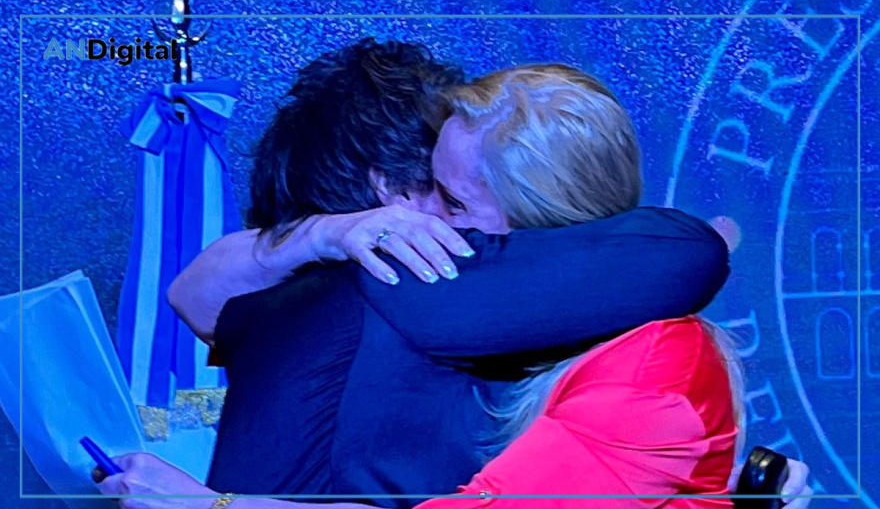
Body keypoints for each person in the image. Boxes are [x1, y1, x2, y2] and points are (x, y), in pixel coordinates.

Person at [99, 41, 812, 508]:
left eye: (455, 201)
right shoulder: (414, 290)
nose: (430, 218)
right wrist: (327, 233)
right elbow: (193, 296)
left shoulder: (647, 351)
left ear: (546, 221)